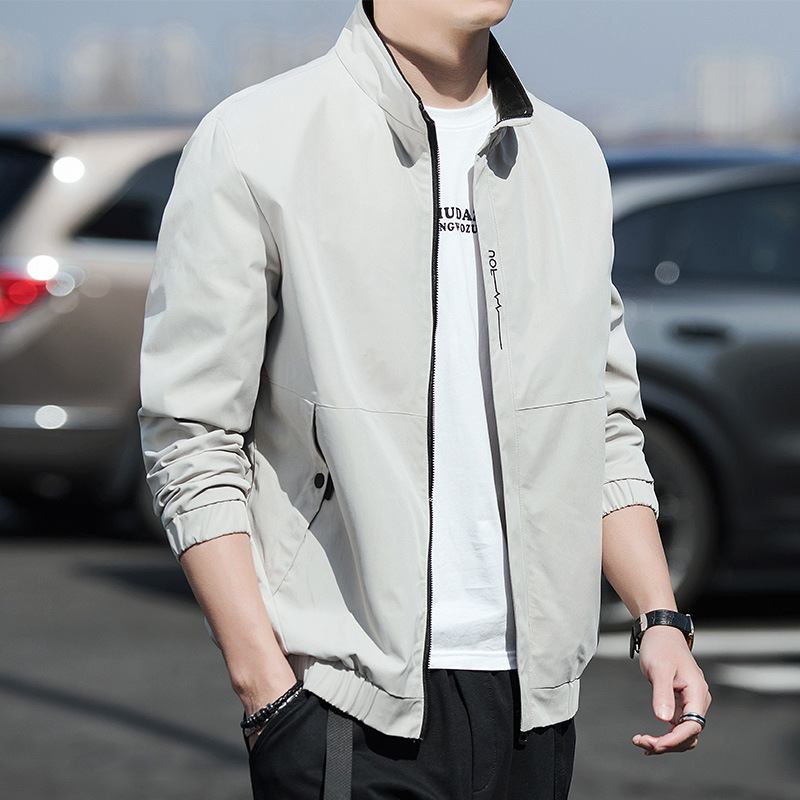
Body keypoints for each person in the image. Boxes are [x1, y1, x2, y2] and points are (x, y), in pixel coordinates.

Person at [137, 1, 712, 797]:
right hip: (342, 700)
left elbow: (603, 423)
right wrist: (263, 682)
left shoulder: (568, 156)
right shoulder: (258, 137)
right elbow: (192, 433)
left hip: (534, 706)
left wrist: (659, 620)